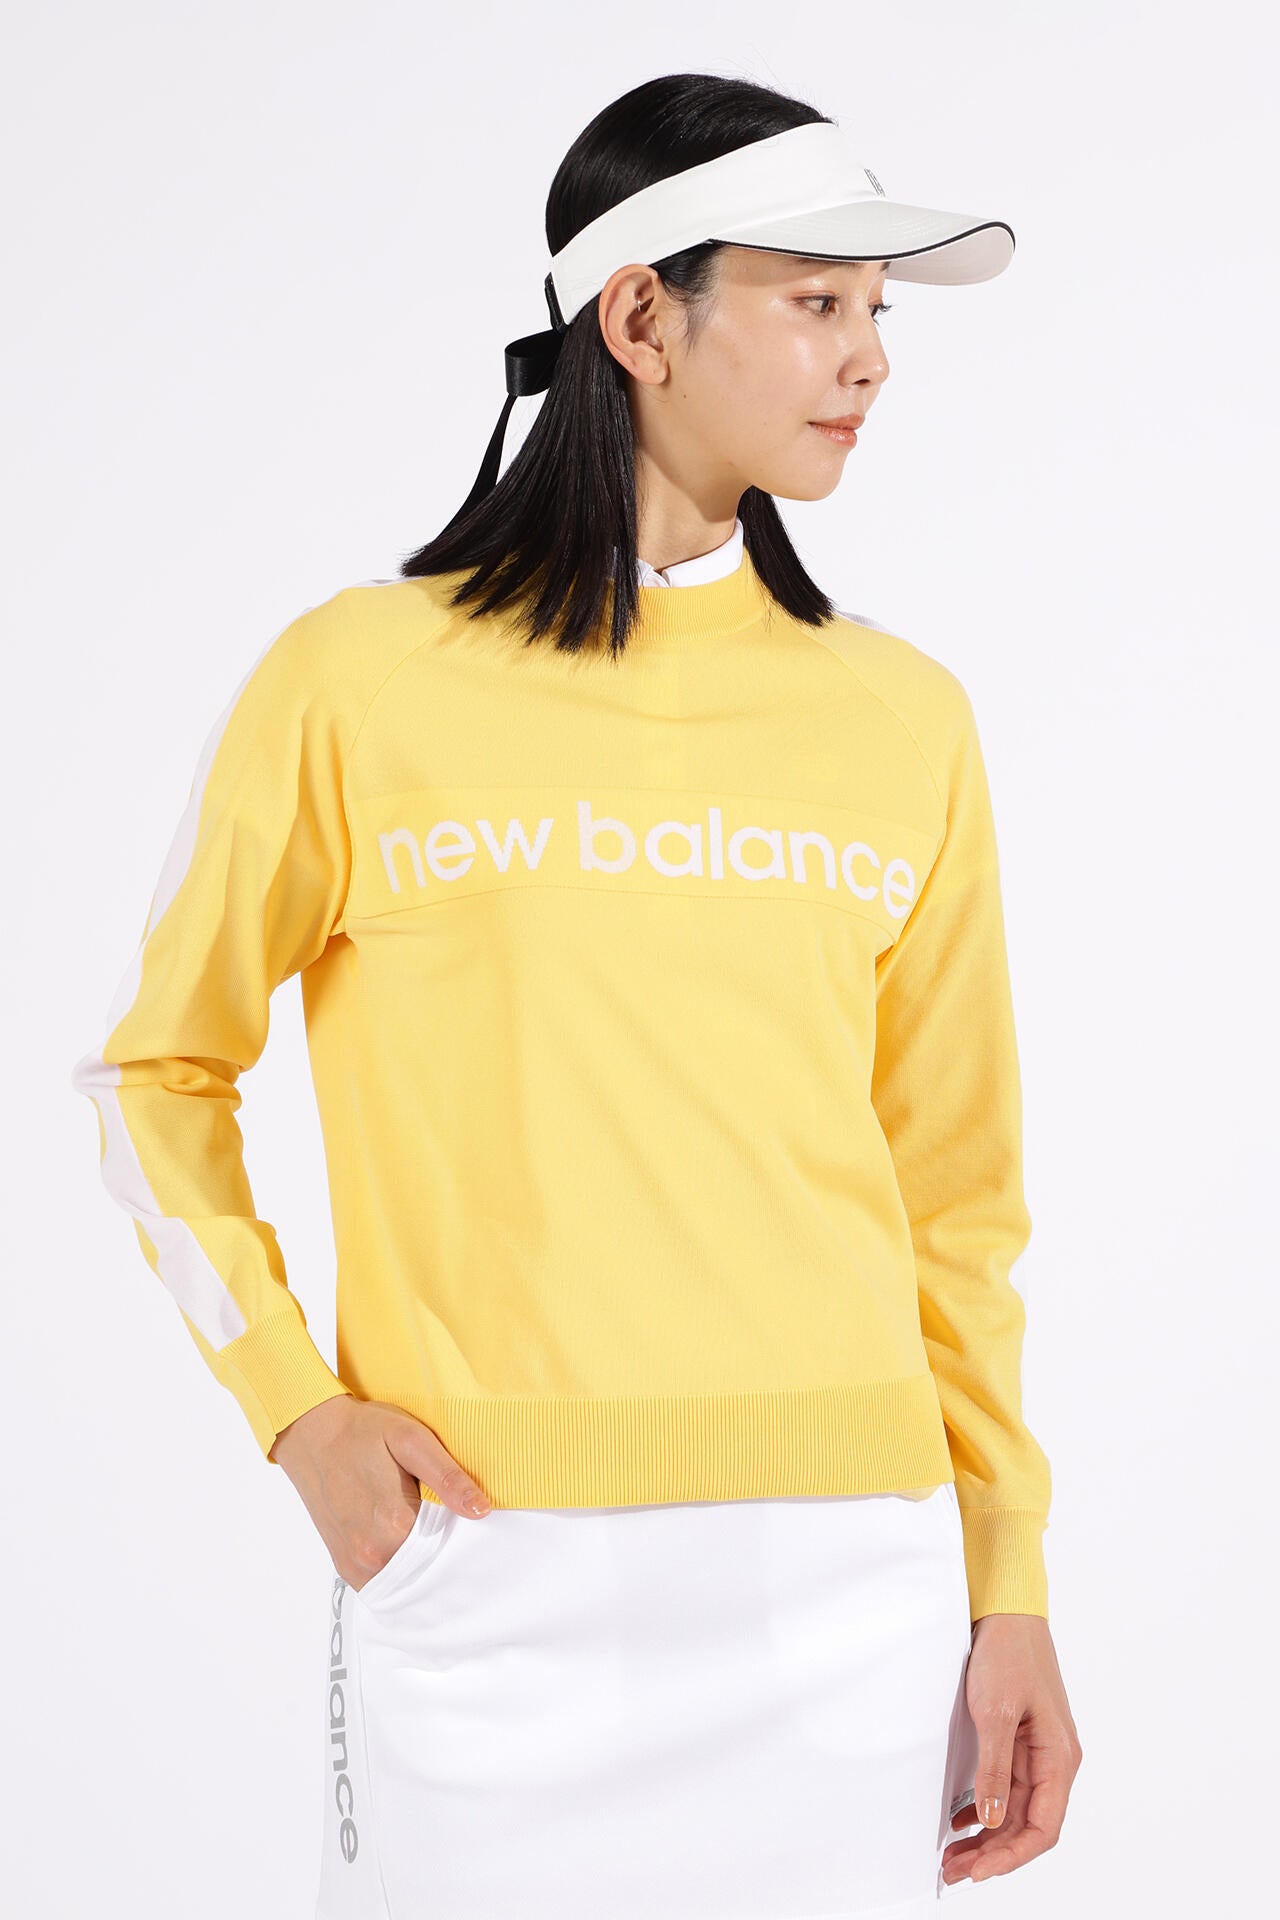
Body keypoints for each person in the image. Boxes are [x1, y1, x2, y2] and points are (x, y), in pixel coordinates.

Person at [71, 71, 1082, 1919]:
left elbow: (959, 1198)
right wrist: (297, 1412)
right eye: (817, 300)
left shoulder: (901, 717)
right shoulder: (359, 680)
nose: (870, 358)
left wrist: (1004, 1581)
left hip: (847, 1595)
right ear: (638, 317)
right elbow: (156, 1076)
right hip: (487, 1571)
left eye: (878, 312)